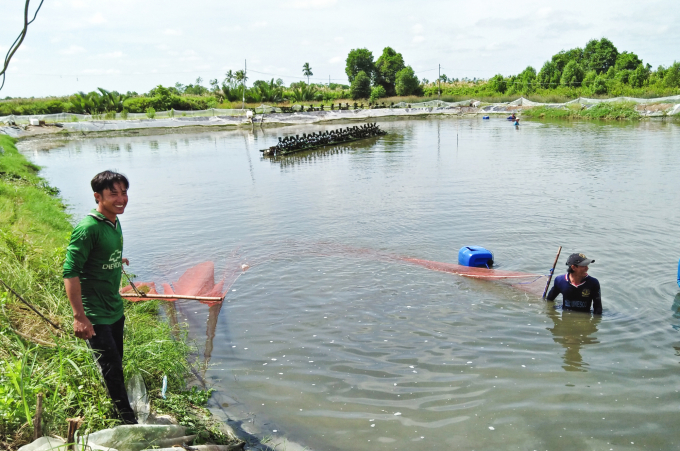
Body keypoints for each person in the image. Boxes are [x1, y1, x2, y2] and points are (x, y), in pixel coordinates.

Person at [63, 170, 137, 424]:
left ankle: (120, 408)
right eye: (113, 194)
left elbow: (101, 254)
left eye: (124, 192)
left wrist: (117, 260)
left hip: (114, 308)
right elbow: (70, 272)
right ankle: (127, 421)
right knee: (112, 368)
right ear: (98, 196)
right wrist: (79, 317)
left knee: (117, 362)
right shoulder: (88, 228)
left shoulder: (113, 221)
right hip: (95, 313)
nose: (121, 199)